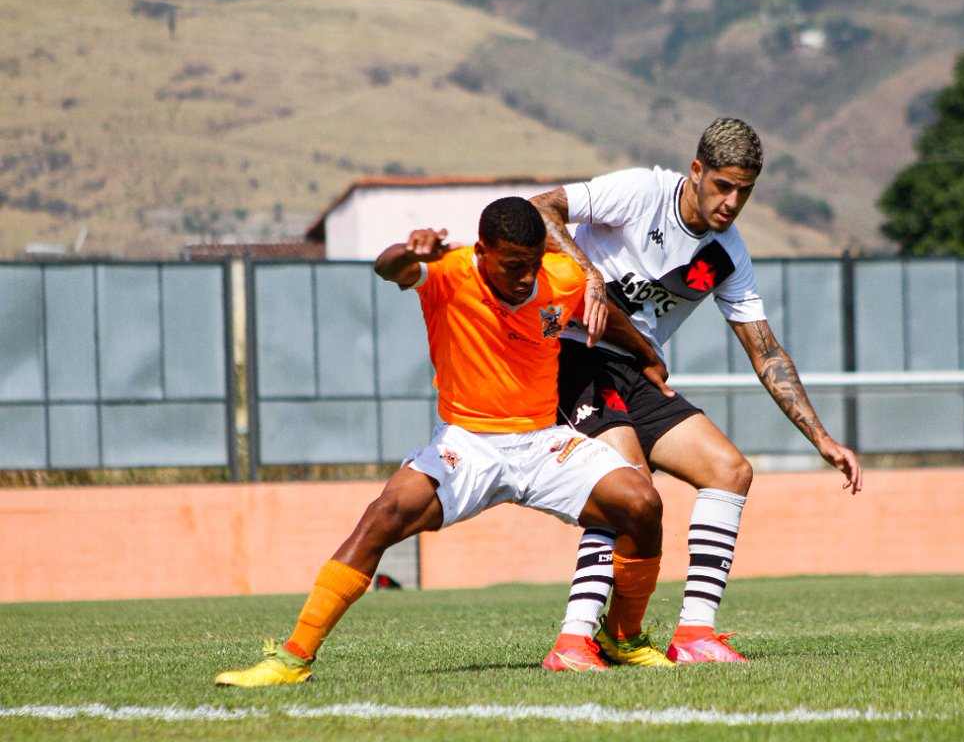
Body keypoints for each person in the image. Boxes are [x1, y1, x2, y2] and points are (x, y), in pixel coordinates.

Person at [215, 197, 664, 685]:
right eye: (513, 265)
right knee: (383, 515)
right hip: (468, 445)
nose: (525, 277)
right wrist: (410, 254)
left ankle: (623, 637)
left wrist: (645, 353)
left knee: (641, 504)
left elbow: (600, 310)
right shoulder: (448, 273)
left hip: (543, 442)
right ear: (483, 251)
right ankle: (293, 658)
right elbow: (387, 269)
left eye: (532, 264)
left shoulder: (561, 276)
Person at [530, 118, 862, 665]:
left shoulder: (726, 255)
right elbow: (538, 209)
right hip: (570, 352)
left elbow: (767, 352)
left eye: (745, 191)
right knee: (628, 488)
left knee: (729, 471)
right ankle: (574, 640)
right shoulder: (643, 193)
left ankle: (694, 636)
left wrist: (822, 438)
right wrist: (587, 272)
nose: (732, 202)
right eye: (723, 186)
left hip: (636, 370)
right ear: (697, 171)